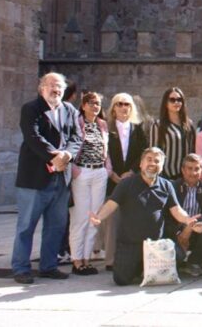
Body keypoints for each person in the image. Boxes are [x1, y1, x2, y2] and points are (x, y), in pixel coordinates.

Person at [89, 147, 202, 285]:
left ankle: (147, 267)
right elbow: (111, 204)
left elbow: (176, 210)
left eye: (157, 161)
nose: (152, 163)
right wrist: (99, 217)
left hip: (155, 244)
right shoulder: (126, 184)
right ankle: (140, 267)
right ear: (141, 164)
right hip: (130, 244)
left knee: (179, 255)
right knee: (121, 280)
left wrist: (187, 219)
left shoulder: (166, 185)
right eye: (149, 159)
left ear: (161, 167)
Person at [11, 72, 82, 285]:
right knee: (26, 226)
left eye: (59, 86)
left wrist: (67, 155)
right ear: (41, 88)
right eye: (51, 85)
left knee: (56, 225)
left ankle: (49, 266)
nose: (56, 90)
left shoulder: (70, 109)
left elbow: (76, 137)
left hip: (61, 179)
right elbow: (32, 137)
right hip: (34, 178)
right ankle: (21, 268)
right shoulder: (31, 109)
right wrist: (55, 156)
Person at [103, 92, 148, 271]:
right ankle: (110, 260)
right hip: (112, 179)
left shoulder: (138, 129)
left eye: (127, 104)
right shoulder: (106, 129)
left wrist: (132, 171)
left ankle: (133, 259)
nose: (123, 107)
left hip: (132, 180)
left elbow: (143, 152)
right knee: (112, 222)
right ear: (113, 109)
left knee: (131, 220)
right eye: (119, 104)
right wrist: (112, 173)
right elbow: (103, 152)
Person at [69, 92, 111, 275]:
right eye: (92, 103)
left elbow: (105, 149)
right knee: (80, 218)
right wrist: (74, 169)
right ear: (84, 105)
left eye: (99, 104)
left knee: (95, 217)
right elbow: (70, 145)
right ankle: (76, 259)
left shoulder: (102, 125)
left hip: (99, 172)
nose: (95, 107)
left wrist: (107, 169)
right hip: (82, 172)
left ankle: (87, 259)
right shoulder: (77, 123)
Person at [169, 154, 202, 277]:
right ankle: (178, 259)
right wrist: (183, 229)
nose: (193, 172)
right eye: (189, 168)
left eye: (197, 169)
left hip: (196, 229)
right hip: (176, 228)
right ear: (183, 170)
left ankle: (194, 262)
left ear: (201, 170)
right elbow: (168, 213)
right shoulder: (173, 187)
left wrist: (189, 227)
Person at [148, 87, 196, 180]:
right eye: (172, 100)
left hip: (186, 177)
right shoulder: (158, 125)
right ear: (166, 103)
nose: (176, 102)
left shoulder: (189, 124)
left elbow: (192, 149)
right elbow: (153, 152)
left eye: (179, 100)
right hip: (166, 176)